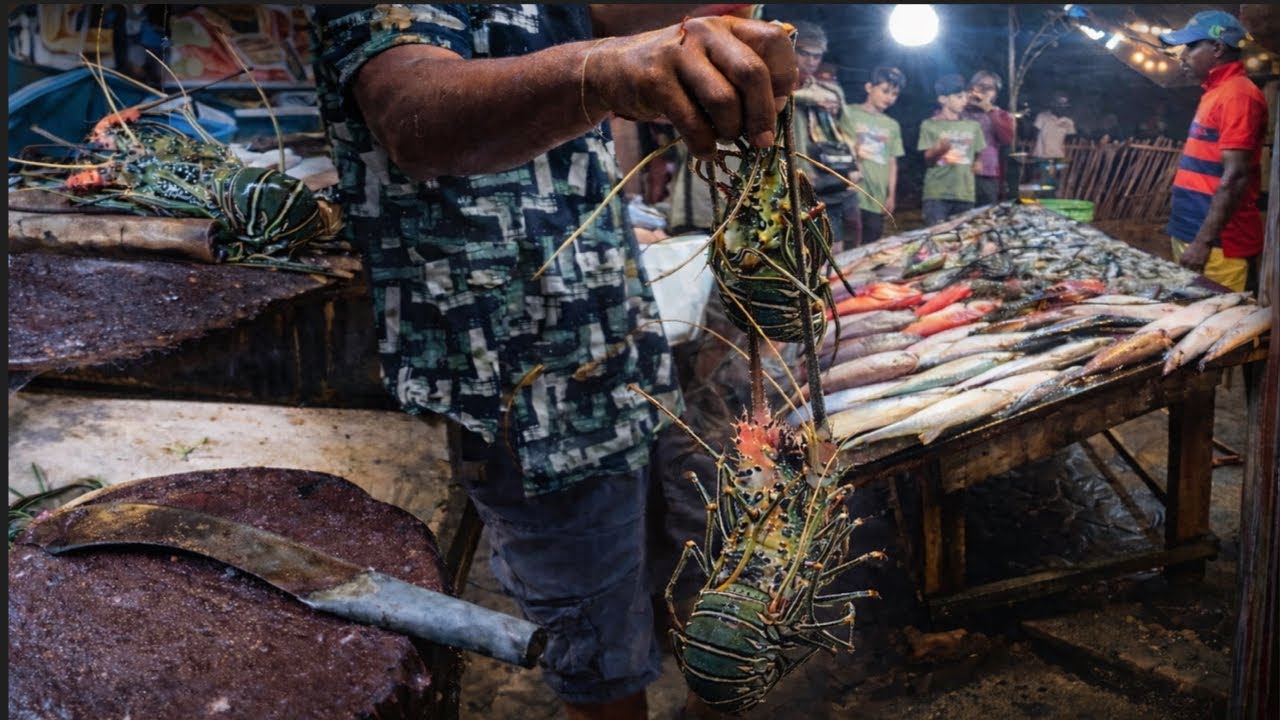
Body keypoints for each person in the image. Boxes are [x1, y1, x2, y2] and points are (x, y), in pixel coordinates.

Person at [305, 7, 798, 720]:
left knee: (659, 574)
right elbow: (410, 109)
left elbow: (618, 11)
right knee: (596, 650)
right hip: (525, 389)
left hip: (622, 358)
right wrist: (602, 69)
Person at [1159, 9, 1267, 293]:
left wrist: (1202, 242)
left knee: (1217, 323)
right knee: (1188, 312)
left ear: (1217, 47)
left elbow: (1236, 177)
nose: (1183, 56)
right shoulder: (1215, 92)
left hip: (1219, 244)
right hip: (1192, 230)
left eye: (1191, 47)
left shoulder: (1238, 95)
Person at [790, 20, 863, 251]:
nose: (811, 61)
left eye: (817, 56)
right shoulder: (771, 90)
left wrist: (854, 167)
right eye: (804, 53)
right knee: (796, 252)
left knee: (835, 249)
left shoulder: (831, 91)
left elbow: (849, 133)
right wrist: (805, 98)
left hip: (827, 182)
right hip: (786, 184)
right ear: (789, 50)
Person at [843, 65, 906, 244]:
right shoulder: (849, 112)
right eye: (885, 91)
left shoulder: (892, 125)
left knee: (870, 244)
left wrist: (891, 195)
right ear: (869, 87)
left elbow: (892, 161)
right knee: (847, 244)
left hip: (876, 197)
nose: (890, 98)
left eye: (894, 94)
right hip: (851, 192)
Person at [918, 73, 987, 227]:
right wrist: (939, 149)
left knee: (960, 240)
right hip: (937, 193)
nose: (964, 101)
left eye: (965, 97)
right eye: (958, 96)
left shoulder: (973, 126)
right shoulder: (930, 125)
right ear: (943, 99)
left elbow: (978, 152)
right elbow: (927, 159)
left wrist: (978, 162)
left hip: (965, 193)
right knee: (937, 238)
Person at [962, 69, 1015, 207]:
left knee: (984, 218)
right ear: (971, 88)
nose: (984, 90)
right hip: (958, 175)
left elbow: (1007, 139)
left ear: (996, 93)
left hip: (987, 175)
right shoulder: (958, 110)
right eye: (980, 85)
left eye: (989, 88)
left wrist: (988, 109)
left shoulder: (1001, 115)